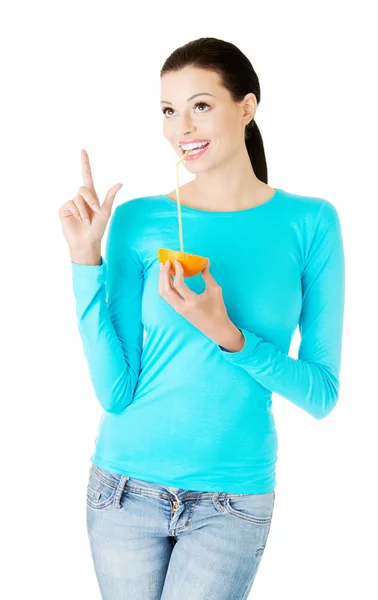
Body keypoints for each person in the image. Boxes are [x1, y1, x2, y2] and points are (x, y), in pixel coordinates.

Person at [59, 37, 345, 600]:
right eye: (168, 110)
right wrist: (84, 262)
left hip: (231, 503)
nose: (180, 127)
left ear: (247, 106)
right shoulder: (140, 220)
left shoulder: (310, 223)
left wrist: (229, 336)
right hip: (123, 492)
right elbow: (115, 392)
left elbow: (321, 393)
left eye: (200, 105)